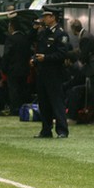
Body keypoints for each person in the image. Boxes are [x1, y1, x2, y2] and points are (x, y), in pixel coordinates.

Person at [31, 8, 70, 139]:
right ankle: (46, 129)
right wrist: (35, 59)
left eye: (46, 16)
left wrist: (46, 58)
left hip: (55, 73)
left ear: (53, 17)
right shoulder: (43, 33)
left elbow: (62, 54)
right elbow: (38, 48)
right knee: (43, 103)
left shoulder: (61, 34)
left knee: (57, 102)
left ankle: (62, 130)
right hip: (42, 73)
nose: (44, 19)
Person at [70, 19, 94, 124]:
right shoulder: (86, 35)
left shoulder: (84, 38)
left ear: (73, 29)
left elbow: (84, 55)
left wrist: (76, 59)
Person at [1, 14, 32, 115]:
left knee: (14, 90)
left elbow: (7, 55)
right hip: (24, 69)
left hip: (13, 70)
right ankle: (24, 109)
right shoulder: (25, 39)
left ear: (11, 27)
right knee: (23, 89)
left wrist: (4, 68)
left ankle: (15, 109)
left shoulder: (10, 39)